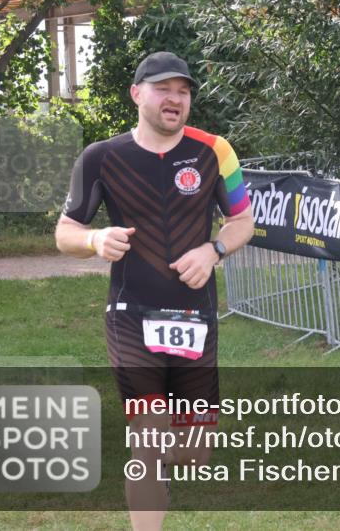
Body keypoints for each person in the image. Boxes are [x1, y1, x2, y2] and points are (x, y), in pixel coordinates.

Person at [55, 51, 254, 530]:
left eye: (183, 91)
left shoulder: (215, 151)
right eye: (163, 89)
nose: (175, 99)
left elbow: (243, 221)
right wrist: (95, 239)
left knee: (193, 451)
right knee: (148, 438)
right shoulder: (100, 157)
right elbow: (64, 231)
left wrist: (213, 251)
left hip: (195, 317)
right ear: (137, 94)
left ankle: (159, 475)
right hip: (131, 313)